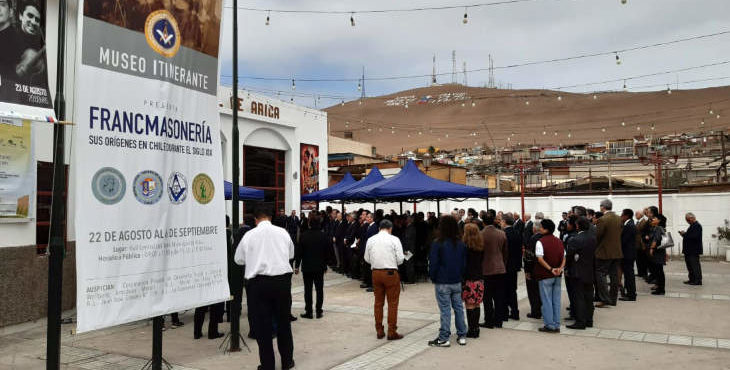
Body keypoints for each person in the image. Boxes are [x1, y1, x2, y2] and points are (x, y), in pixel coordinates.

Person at [234, 208, 296, 370]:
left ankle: (268, 364)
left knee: (263, 326)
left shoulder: (249, 235)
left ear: (256, 220)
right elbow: (290, 255)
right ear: (271, 217)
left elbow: (238, 259)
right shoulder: (283, 233)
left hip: (258, 284)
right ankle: (287, 361)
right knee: (283, 323)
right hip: (282, 282)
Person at [428, 216, 468, 347]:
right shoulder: (461, 243)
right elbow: (463, 264)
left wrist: (433, 277)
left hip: (442, 280)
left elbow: (433, 263)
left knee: (445, 310)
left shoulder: (437, 243)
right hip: (456, 280)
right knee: (459, 309)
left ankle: (444, 337)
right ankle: (462, 335)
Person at [364, 219, 405, 340]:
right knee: (392, 303)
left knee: (378, 303)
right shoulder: (394, 239)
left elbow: (367, 258)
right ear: (390, 228)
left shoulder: (371, 239)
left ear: (379, 228)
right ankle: (391, 331)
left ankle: (379, 330)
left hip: (376, 272)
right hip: (391, 272)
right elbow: (400, 259)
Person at [534, 219, 565, 333]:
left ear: (546, 229)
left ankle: (549, 325)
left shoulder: (540, 241)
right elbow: (564, 257)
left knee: (546, 300)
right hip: (557, 274)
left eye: (541, 227)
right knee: (556, 300)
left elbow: (540, 258)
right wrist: (559, 269)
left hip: (545, 274)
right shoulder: (559, 241)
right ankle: (556, 323)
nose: (539, 228)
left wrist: (551, 269)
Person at [565, 217, 596, 330]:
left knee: (579, 297)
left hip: (577, 271)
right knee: (588, 297)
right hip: (589, 270)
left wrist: (567, 268)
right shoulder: (592, 238)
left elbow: (569, 256)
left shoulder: (575, 239)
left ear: (578, 226)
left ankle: (580, 321)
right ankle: (589, 320)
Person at [295, 217, 329, 319]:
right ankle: (319, 311)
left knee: (308, 290)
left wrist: (297, 266)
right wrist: (325, 265)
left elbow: (299, 252)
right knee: (319, 290)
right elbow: (327, 252)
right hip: (319, 267)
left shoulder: (304, 235)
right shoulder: (323, 235)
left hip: (307, 267)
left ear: (309, 224)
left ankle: (309, 311)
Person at [480, 216, 508, 329]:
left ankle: (489, 320)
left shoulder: (481, 234)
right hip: (500, 267)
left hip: (486, 268)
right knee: (499, 296)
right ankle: (499, 320)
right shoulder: (502, 233)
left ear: (483, 222)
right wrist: (503, 264)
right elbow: (506, 252)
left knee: (487, 297)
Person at [594, 199, 623, 307]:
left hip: (604, 251)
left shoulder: (602, 219)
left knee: (600, 274)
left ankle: (604, 299)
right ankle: (613, 298)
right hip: (616, 251)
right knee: (614, 275)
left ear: (602, 207)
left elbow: (598, 235)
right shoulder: (618, 218)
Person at [461, 223, 484, 338]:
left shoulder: (464, 247)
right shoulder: (480, 246)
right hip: (479, 278)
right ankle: (476, 328)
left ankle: (471, 329)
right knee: (477, 304)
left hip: (469, 279)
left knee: (469, 304)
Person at [502, 213, 522, 320]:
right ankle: (515, 312)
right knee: (512, 290)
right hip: (514, 266)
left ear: (504, 222)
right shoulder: (517, 232)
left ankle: (505, 313)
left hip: (506, 266)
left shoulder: (504, 233)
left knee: (505, 290)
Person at [524, 219, 543, 319]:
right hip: (543, 269)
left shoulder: (533, 239)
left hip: (534, 269)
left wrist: (527, 270)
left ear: (535, 228)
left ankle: (535, 311)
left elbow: (529, 256)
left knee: (533, 292)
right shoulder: (545, 237)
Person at [618, 209, 638, 301]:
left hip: (628, 254)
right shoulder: (630, 224)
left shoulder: (629, 226)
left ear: (626, 216)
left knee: (629, 275)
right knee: (629, 274)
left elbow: (623, 241)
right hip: (629, 253)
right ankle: (630, 292)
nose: (621, 217)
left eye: (622, 215)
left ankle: (631, 294)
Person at [679, 212, 703, 286]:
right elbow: (690, 236)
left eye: (688, 220)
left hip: (693, 250)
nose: (687, 221)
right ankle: (692, 279)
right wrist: (685, 234)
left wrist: (684, 234)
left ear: (692, 218)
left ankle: (697, 280)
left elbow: (694, 237)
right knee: (690, 266)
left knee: (695, 265)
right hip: (689, 250)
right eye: (687, 220)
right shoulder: (692, 225)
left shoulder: (697, 226)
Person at [648, 214, 667, 295]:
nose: (652, 219)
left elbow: (656, 239)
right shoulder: (656, 228)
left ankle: (661, 289)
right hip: (659, 251)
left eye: (654, 218)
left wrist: (652, 248)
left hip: (658, 252)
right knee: (658, 270)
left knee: (659, 271)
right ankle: (659, 287)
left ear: (659, 220)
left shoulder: (658, 228)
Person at [634, 209, 650, 279]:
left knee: (643, 259)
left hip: (641, 243)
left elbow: (640, 231)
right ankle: (640, 272)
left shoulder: (644, 222)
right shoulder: (638, 222)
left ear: (641, 215)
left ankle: (644, 273)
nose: (635, 215)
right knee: (638, 259)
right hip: (637, 243)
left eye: (636, 214)